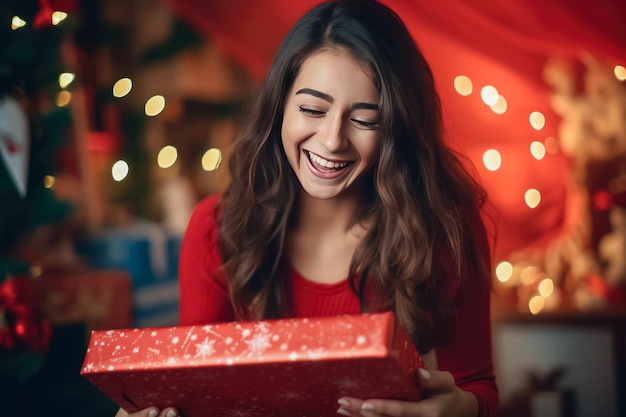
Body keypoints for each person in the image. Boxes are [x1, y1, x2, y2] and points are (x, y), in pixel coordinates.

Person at [118, 0, 498, 416]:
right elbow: (194, 396)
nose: (333, 140)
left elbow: (479, 389)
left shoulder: (445, 227)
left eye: (366, 120)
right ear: (279, 105)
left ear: (396, 126)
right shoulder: (216, 228)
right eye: (312, 109)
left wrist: (460, 409)